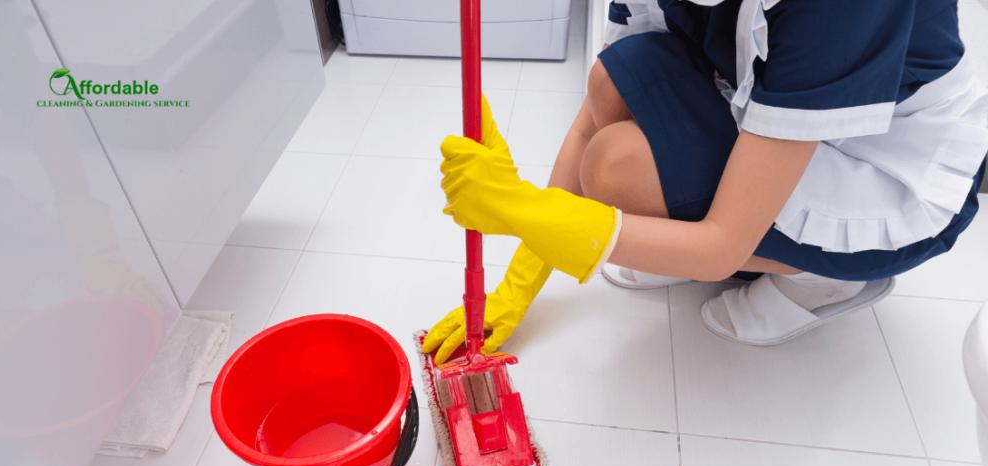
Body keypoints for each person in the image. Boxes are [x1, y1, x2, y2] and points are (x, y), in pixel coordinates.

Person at [422, 0, 988, 363]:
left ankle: (823, 277)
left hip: (875, 161)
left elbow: (721, 246)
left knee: (616, 172)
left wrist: (524, 209)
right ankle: (681, 228)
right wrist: (516, 286)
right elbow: (599, 103)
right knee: (609, 85)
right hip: (772, 96)